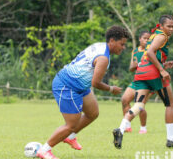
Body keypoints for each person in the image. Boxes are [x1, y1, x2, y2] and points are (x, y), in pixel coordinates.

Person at [36, 26, 130, 159]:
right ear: (112, 41)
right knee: (71, 124)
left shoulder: (100, 46)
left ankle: (70, 136)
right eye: (122, 44)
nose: (123, 47)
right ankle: (44, 150)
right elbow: (95, 83)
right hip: (67, 85)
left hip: (80, 86)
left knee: (92, 113)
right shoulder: (103, 58)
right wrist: (111, 89)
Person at [113, 15, 173, 149]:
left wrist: (163, 64)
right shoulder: (162, 36)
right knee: (170, 104)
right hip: (153, 74)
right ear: (161, 26)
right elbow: (151, 52)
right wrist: (161, 70)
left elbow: (150, 55)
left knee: (139, 104)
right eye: (168, 26)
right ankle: (170, 139)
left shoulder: (154, 35)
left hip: (141, 73)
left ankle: (121, 129)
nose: (171, 29)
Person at [121, 30, 150, 134]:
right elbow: (131, 68)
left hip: (147, 83)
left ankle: (143, 128)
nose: (146, 40)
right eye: (145, 38)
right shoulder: (135, 51)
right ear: (139, 39)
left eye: (148, 39)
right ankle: (127, 126)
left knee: (140, 106)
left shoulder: (151, 51)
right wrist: (137, 64)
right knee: (125, 100)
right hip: (136, 81)